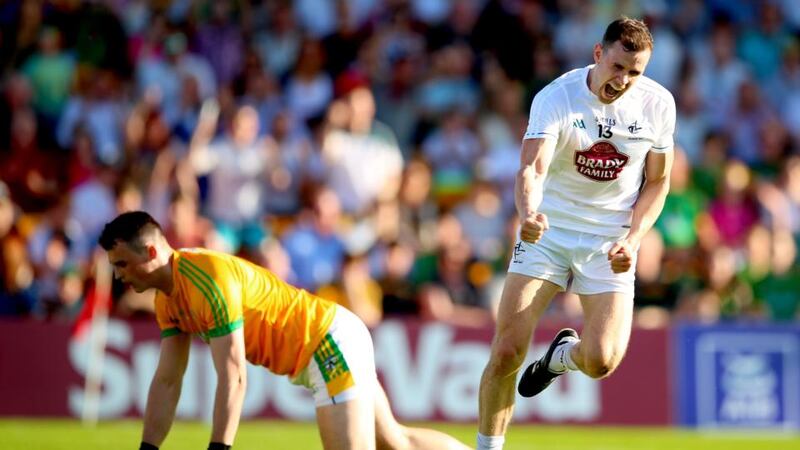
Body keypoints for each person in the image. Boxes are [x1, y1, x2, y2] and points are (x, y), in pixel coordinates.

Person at [98, 211, 471, 450]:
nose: (118, 275)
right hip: (329, 336)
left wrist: (219, 447)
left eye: (122, 264)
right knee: (397, 443)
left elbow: (233, 375)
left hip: (325, 343)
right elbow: (167, 380)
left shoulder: (207, 278)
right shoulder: (167, 302)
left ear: (151, 253)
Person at [476, 17, 675, 450]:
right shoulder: (557, 96)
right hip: (549, 230)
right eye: (617, 67)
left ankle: (559, 358)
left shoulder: (658, 104)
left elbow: (659, 181)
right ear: (598, 53)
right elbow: (532, 167)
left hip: (609, 239)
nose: (623, 80)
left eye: (635, 72)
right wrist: (528, 213)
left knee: (602, 361)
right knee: (507, 350)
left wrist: (634, 239)